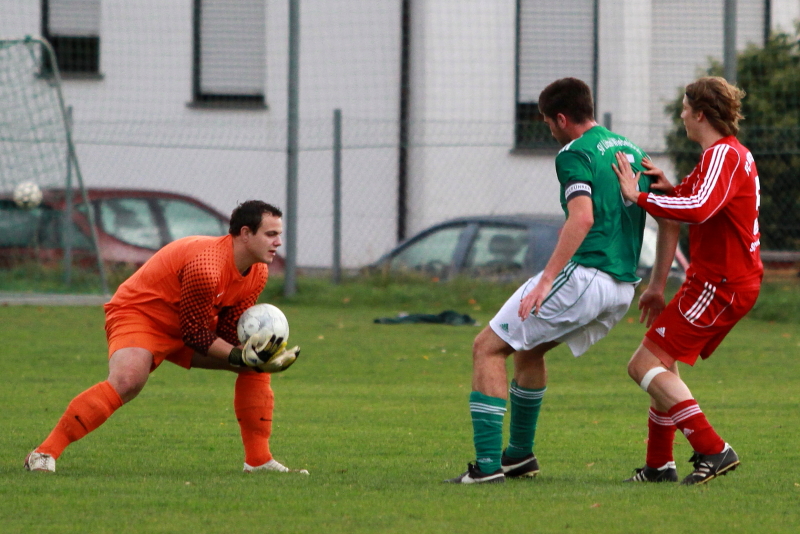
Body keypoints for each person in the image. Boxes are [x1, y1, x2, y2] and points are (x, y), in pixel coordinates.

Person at [446, 77, 677, 484]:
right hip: (622, 288)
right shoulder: (632, 150)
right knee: (527, 351)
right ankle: (519, 457)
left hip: (586, 275)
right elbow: (671, 216)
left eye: (547, 122)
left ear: (561, 118)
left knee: (486, 347)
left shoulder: (574, 153)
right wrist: (657, 285)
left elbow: (582, 217)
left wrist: (546, 280)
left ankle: (486, 468)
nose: (548, 130)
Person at [24, 200, 307, 475]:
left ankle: (258, 460)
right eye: (271, 234)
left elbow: (225, 331)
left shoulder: (258, 272)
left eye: (278, 234)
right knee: (128, 381)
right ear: (245, 233)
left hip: (188, 322)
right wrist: (239, 354)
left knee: (254, 366)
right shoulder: (207, 265)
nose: (278, 242)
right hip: (142, 314)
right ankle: (44, 453)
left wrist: (258, 355)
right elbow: (195, 334)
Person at [612, 76, 762, 485]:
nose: (680, 115)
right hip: (720, 281)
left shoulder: (723, 156)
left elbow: (696, 208)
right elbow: (687, 201)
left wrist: (637, 196)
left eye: (683, 108)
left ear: (700, 114)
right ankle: (659, 464)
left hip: (721, 284)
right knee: (661, 362)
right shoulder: (723, 155)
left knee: (642, 365)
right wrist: (668, 189)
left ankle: (714, 449)